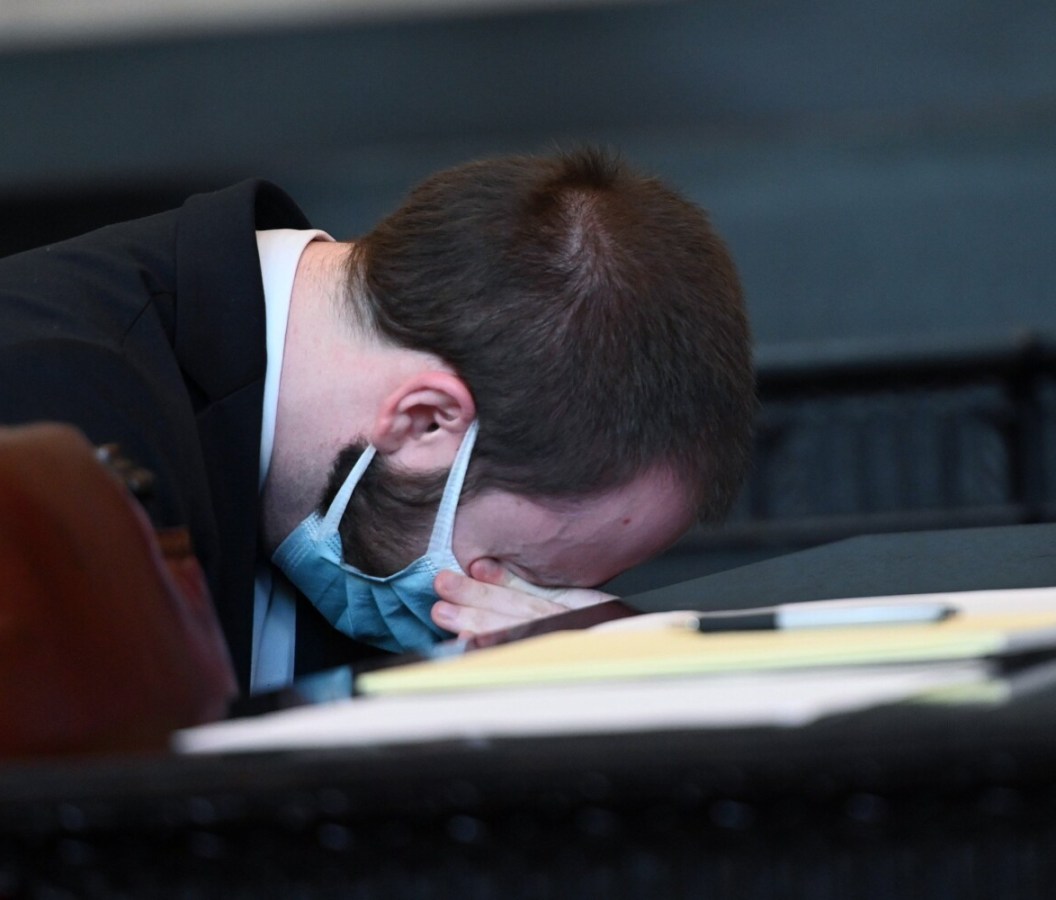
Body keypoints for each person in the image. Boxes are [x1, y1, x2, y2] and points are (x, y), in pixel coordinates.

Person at [0, 147, 756, 717]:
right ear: (424, 422)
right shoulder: (45, 423)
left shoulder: (303, 460)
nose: (521, 607)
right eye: (522, 573)